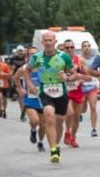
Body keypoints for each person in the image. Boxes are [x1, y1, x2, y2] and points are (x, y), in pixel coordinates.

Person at [29, 30, 77, 163]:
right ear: (42, 42)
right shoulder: (37, 57)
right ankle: (53, 150)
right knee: (49, 117)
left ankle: (56, 144)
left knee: (59, 122)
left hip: (61, 92)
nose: (48, 43)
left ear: (55, 42)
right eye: (46, 40)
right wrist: (30, 84)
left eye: (51, 40)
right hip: (45, 91)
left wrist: (67, 77)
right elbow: (26, 70)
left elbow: (74, 74)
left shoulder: (64, 57)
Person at [14, 58, 46, 151]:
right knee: (35, 120)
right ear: (28, 56)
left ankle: (40, 142)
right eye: (31, 54)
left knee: (43, 125)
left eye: (35, 54)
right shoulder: (23, 69)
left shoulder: (44, 68)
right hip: (29, 99)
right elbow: (15, 78)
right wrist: (20, 88)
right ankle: (33, 130)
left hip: (43, 99)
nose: (34, 56)